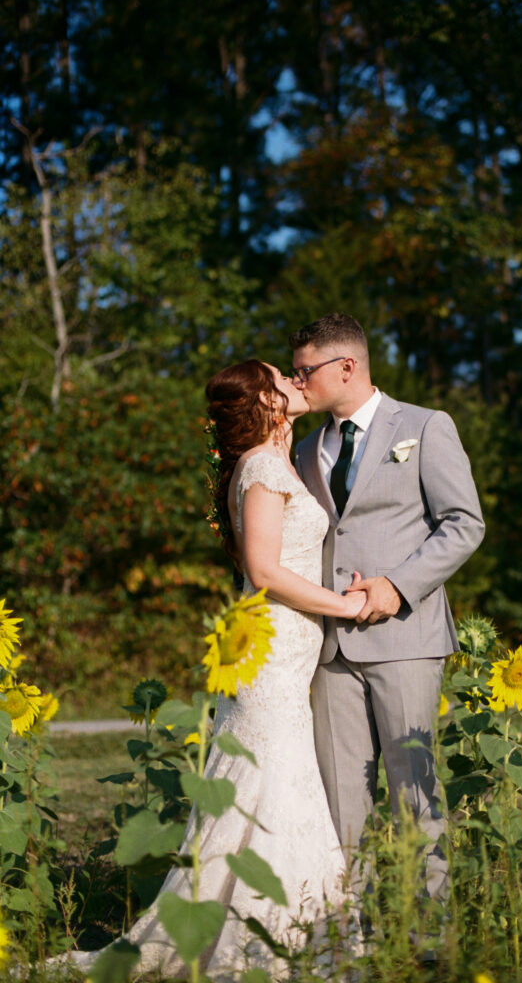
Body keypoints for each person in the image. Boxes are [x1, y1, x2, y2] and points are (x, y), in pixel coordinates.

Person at [52, 359, 366, 981]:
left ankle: (286, 923)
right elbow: (265, 571)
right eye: (283, 379)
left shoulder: (280, 461)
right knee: (275, 781)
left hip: (290, 654)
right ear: (265, 401)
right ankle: (277, 936)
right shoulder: (261, 467)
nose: (295, 384)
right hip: (269, 657)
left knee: (273, 782)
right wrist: (347, 604)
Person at [290, 313, 485, 900]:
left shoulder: (426, 427)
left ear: (346, 366)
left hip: (406, 638)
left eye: (305, 372)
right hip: (328, 649)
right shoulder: (303, 450)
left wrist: (396, 587)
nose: (297, 382)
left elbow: (464, 524)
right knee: (340, 802)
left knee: (414, 793)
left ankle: (428, 937)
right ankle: (350, 932)